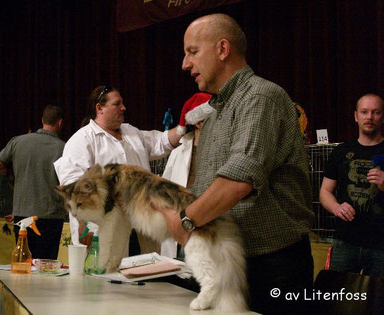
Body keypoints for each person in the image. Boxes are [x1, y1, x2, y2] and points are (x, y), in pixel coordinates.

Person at [156, 14, 314, 314]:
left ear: (223, 49)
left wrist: (186, 219)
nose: (184, 64)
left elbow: (238, 180)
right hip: (227, 259)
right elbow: (208, 187)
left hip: (272, 267)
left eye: (192, 52)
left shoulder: (261, 97)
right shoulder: (213, 112)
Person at [54, 85, 182, 254]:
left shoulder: (131, 132)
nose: (124, 108)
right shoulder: (82, 140)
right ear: (100, 108)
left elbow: (162, 141)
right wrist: (83, 224)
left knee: (145, 274)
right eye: (117, 104)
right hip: (104, 229)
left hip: (141, 227)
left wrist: (185, 126)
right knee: (107, 277)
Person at [0, 105, 66, 260]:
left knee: (24, 261)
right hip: (51, 215)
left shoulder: (18, 142)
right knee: (46, 264)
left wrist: (13, 172)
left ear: (42, 120)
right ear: (60, 123)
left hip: (22, 213)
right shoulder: (64, 148)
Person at [320, 93, 384, 277]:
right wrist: (336, 207)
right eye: (364, 112)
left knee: (378, 302)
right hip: (345, 241)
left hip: (381, 245)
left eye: (376, 112)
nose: (369, 117)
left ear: (383, 117)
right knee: (337, 299)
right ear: (356, 116)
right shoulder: (341, 152)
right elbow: (325, 191)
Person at [160, 92, 212, 258]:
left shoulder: (219, 149)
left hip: (207, 222)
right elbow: (164, 189)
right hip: (180, 222)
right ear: (198, 122)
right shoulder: (179, 150)